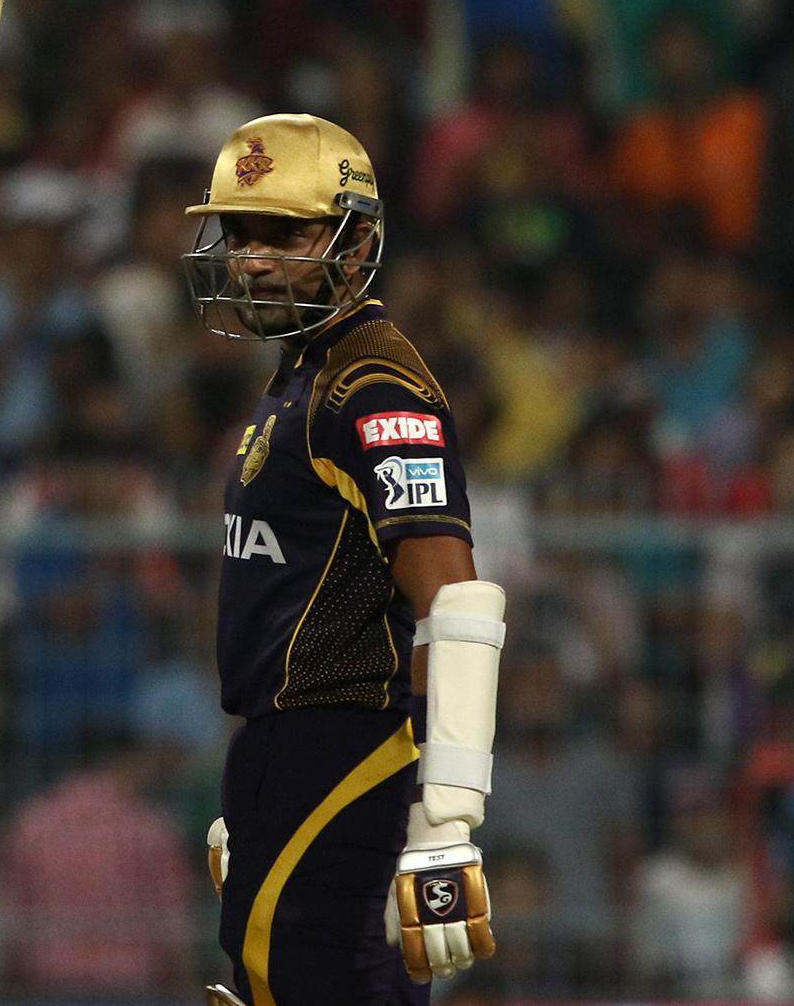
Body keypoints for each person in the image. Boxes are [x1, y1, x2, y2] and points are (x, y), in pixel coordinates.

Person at [185, 114, 503, 1004]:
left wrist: (444, 818)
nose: (252, 259)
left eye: (285, 232)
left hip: (341, 754)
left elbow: (456, 601)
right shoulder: (307, 372)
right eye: (240, 232)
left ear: (359, 241)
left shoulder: (373, 383)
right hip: (292, 761)